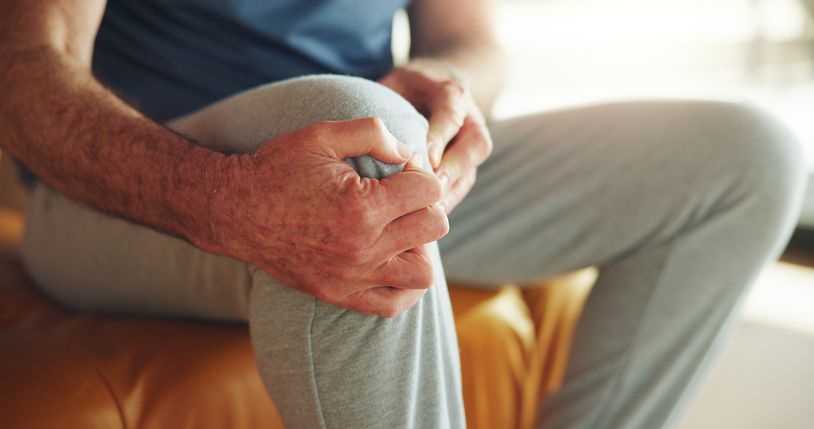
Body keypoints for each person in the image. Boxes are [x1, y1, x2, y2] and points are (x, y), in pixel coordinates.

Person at [0, 0, 805, 428]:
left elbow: (472, 39)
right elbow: (25, 66)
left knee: (747, 158)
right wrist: (229, 195)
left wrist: (446, 83)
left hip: (376, 157)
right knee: (354, 150)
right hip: (128, 198)